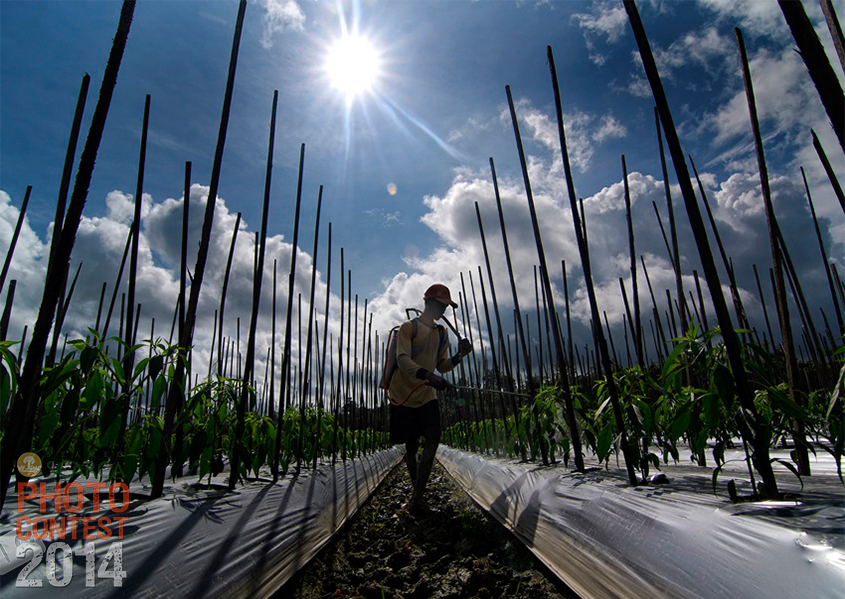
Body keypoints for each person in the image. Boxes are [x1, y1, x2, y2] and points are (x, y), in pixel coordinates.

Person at [388, 283, 472, 517]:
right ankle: (418, 496)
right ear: (428, 303)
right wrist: (427, 375)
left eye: (446, 307)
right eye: (441, 305)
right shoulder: (409, 328)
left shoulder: (441, 333)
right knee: (411, 443)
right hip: (403, 393)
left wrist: (459, 356)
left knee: (434, 436)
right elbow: (402, 359)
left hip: (427, 394)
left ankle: (416, 499)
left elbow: (442, 366)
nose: (443, 310)